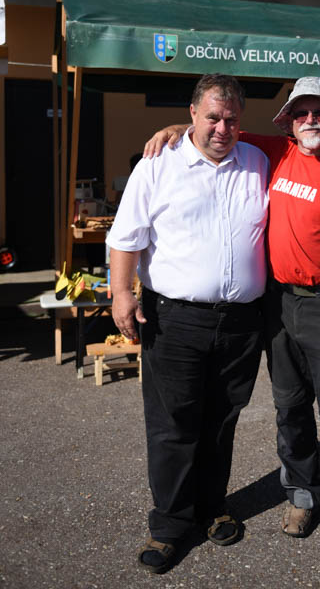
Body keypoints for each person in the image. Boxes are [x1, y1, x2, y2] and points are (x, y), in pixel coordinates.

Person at [145, 76, 320, 568]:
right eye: (301, 113)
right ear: (289, 121)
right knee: (290, 410)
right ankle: (303, 494)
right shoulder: (274, 153)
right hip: (277, 305)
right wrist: (175, 127)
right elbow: (214, 131)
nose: (311, 120)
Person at [107, 74, 269, 574]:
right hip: (175, 320)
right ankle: (169, 525)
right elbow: (125, 237)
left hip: (241, 322)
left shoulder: (258, 161)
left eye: (232, 119)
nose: (222, 128)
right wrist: (121, 292)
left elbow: (305, 142)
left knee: (221, 421)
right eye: (212, 117)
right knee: (173, 425)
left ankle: (212, 507)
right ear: (192, 113)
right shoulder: (159, 164)